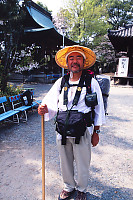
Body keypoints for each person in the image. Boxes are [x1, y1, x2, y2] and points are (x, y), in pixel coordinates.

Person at [38, 45, 105, 200]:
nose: (75, 61)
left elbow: (99, 108)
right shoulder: (61, 82)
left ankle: (81, 188)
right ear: (67, 63)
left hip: (82, 130)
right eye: (71, 58)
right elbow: (50, 103)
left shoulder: (91, 82)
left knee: (83, 162)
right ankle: (69, 186)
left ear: (83, 62)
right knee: (65, 161)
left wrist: (97, 132)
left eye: (78, 58)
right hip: (62, 129)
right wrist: (44, 108)